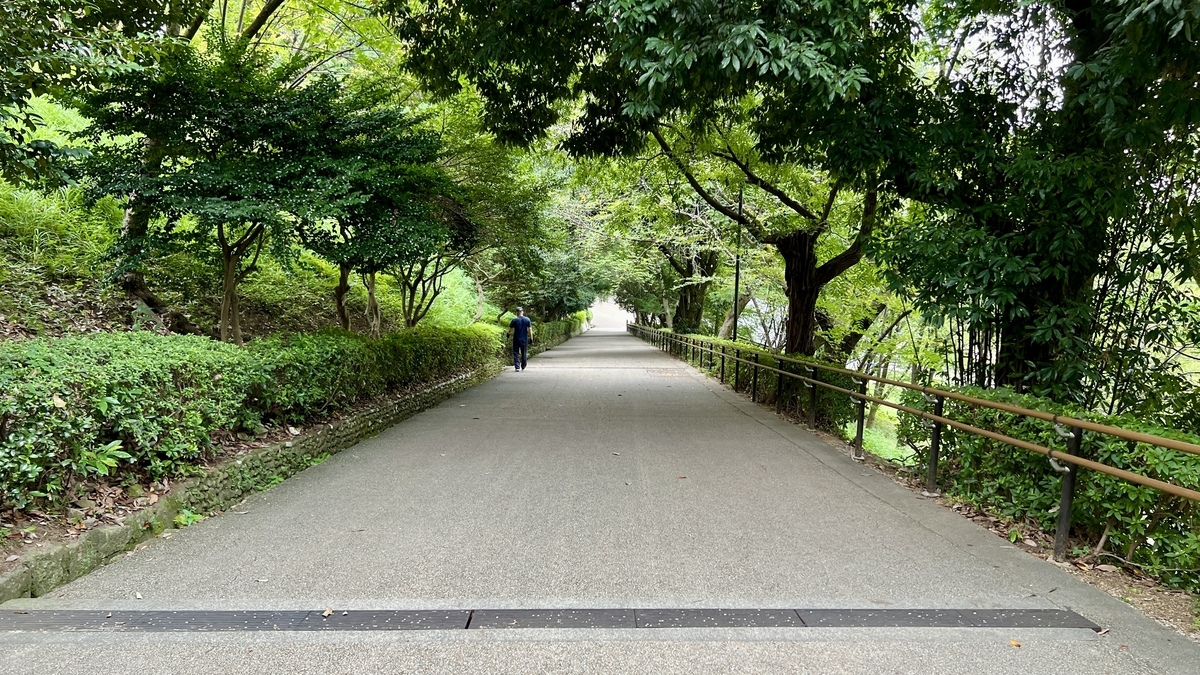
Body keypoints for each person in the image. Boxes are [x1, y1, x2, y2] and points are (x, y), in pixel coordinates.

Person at [507, 306, 532, 371]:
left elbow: (510, 330)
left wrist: (508, 334)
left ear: (517, 313)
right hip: (524, 339)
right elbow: (530, 330)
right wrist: (531, 338)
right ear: (522, 312)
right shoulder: (527, 319)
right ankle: (523, 365)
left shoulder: (514, 320)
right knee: (524, 352)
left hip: (516, 339)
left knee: (516, 352)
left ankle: (517, 367)